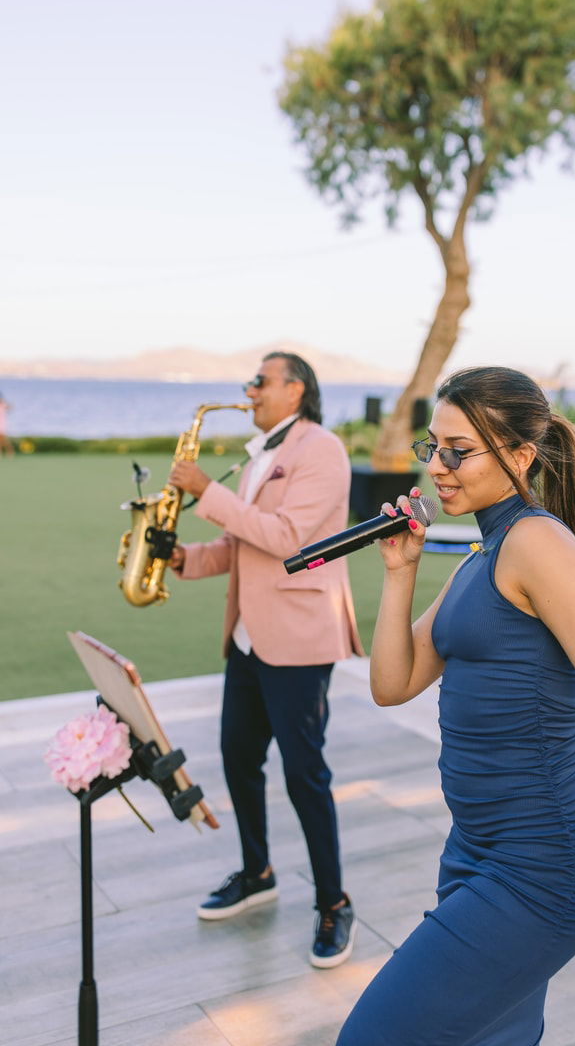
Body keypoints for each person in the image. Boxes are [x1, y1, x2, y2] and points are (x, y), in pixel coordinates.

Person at [337, 366, 575, 1045]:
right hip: (476, 849)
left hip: (546, 865)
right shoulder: (487, 552)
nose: (438, 467)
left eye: (458, 450)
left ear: (521, 456)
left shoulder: (537, 543)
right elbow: (392, 683)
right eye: (432, 447)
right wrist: (400, 570)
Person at [168, 351, 363, 969]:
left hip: (301, 639)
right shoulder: (263, 456)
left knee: (305, 773)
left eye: (260, 381)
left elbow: (285, 539)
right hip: (250, 638)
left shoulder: (322, 449)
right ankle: (258, 872)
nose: (248, 390)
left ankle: (334, 903)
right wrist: (184, 560)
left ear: (295, 389)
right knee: (236, 755)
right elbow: (242, 541)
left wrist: (206, 490)